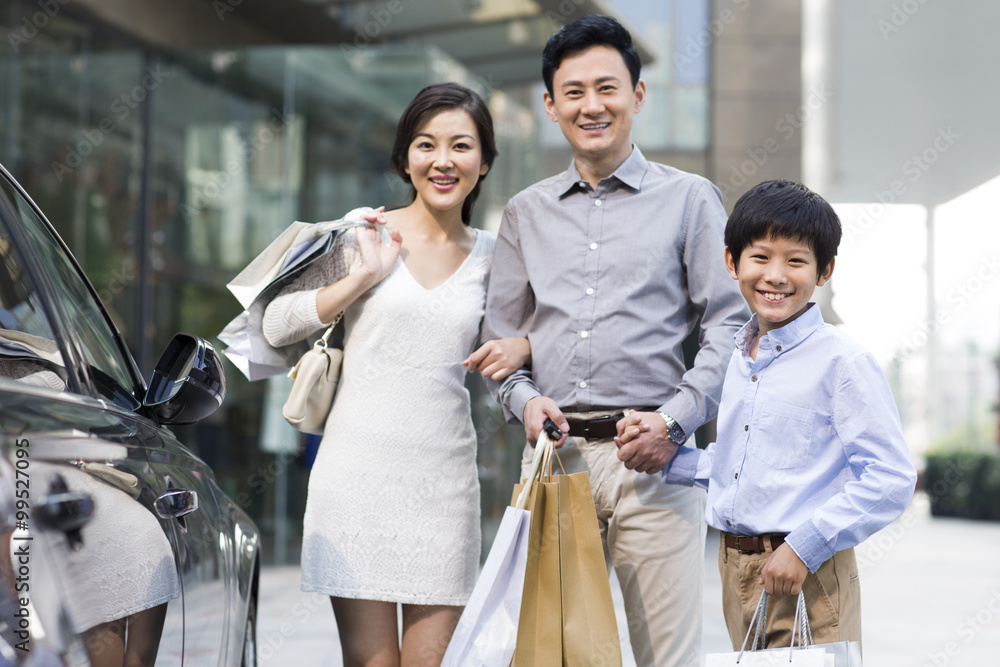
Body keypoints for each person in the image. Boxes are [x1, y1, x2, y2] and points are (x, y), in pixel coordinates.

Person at [479, 15, 750, 667]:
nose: (591, 105)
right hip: (555, 460)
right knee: (556, 654)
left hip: (655, 463)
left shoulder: (689, 200)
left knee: (668, 656)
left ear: (638, 94)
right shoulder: (525, 212)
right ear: (550, 105)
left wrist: (675, 421)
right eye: (573, 92)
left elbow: (730, 323)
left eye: (607, 87)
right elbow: (500, 341)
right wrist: (522, 401)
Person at [261, 82, 529, 667]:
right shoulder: (363, 234)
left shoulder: (496, 256)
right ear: (404, 158)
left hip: (443, 487)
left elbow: (522, 343)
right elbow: (276, 325)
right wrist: (362, 277)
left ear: (483, 162)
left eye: (461, 146)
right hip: (355, 479)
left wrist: (523, 344)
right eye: (426, 144)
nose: (442, 160)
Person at [632, 179, 917, 649]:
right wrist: (667, 457)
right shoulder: (741, 356)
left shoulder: (842, 362)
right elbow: (750, 469)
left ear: (824, 271)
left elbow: (890, 477)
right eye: (761, 257)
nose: (776, 275)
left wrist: (804, 548)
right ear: (732, 262)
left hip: (808, 570)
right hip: (735, 569)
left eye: (796, 260)